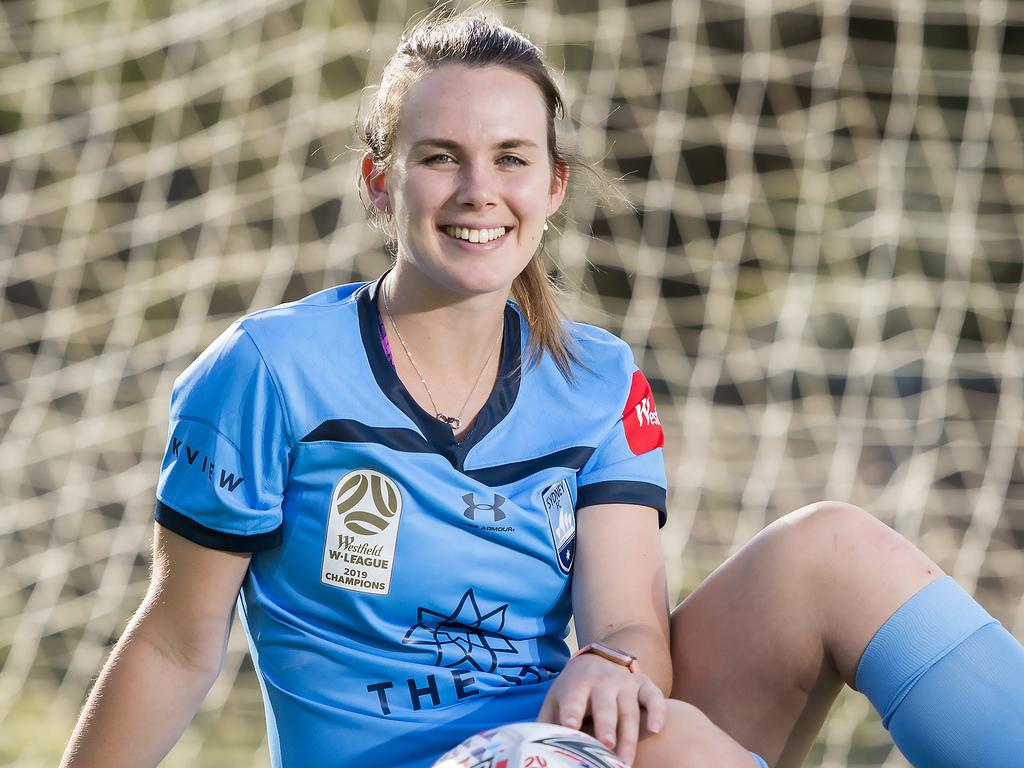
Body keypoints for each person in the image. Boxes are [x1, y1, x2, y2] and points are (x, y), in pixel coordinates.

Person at [60, 11, 1024, 768]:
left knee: (834, 549)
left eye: (512, 159)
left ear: (554, 186)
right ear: (378, 180)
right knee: (682, 747)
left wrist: (610, 663)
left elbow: (627, 628)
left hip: (560, 744)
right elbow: (178, 647)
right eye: (440, 157)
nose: (480, 190)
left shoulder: (596, 378)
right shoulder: (271, 372)